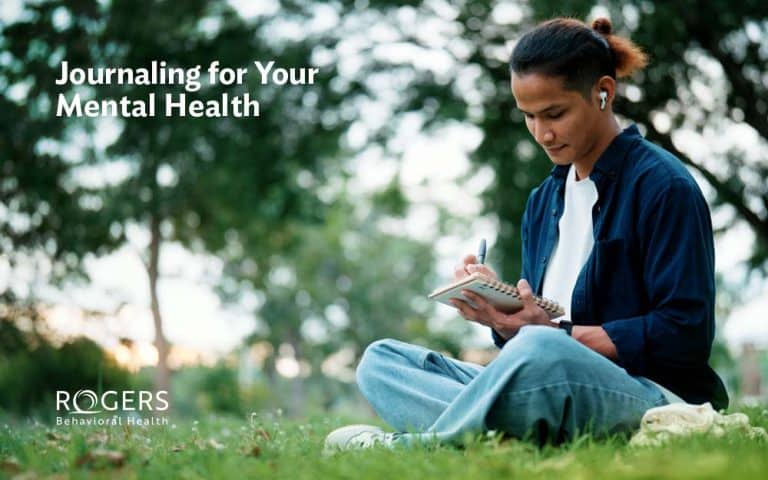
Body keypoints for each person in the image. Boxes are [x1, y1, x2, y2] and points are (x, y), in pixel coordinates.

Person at [324, 16, 728, 452]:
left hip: (650, 394)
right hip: (549, 378)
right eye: (529, 117)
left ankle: (419, 446)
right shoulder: (543, 202)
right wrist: (499, 312)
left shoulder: (663, 187)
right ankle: (511, 435)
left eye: (555, 113)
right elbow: (534, 327)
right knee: (382, 363)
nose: (543, 133)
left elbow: (684, 332)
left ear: (603, 93)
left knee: (541, 353)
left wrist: (559, 337)